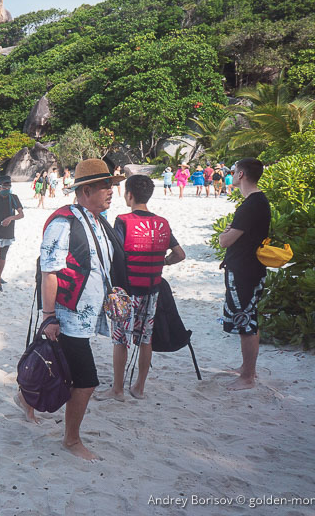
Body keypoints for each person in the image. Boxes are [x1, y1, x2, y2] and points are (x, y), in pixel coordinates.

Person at [20, 159, 126, 461]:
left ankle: (24, 399)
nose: (111, 191)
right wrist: (49, 317)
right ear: (86, 190)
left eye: (111, 185)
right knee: (86, 380)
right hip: (68, 316)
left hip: (86, 315)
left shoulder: (97, 220)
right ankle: (71, 440)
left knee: (59, 367)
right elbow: (49, 272)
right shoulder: (63, 223)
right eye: (105, 186)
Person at [95, 175, 185, 402]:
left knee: (120, 340)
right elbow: (179, 254)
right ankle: (139, 387)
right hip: (152, 291)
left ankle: (117, 389)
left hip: (126, 292)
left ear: (129, 195)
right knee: (145, 339)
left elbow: (115, 253)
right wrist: (163, 262)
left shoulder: (123, 221)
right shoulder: (162, 223)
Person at [217, 158, 271, 391]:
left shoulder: (250, 205)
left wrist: (224, 235)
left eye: (234, 170)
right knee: (249, 319)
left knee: (245, 321)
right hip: (248, 268)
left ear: (241, 175)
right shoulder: (257, 202)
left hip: (244, 271)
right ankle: (248, 369)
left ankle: (248, 376)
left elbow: (225, 241)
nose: (231, 174)